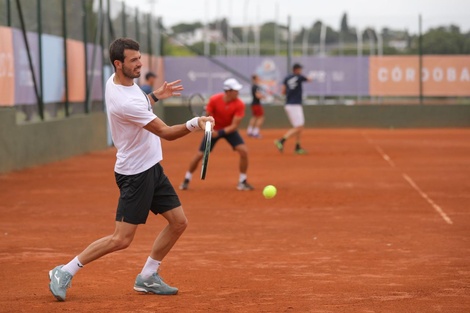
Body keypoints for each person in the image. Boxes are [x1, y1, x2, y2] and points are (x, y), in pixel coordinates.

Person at [48, 38, 214, 301]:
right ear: (118, 63)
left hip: (151, 167)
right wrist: (195, 123)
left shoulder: (118, 83)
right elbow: (166, 133)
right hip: (135, 174)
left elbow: (141, 104)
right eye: (133, 60)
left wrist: (157, 95)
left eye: (139, 58)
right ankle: (64, 271)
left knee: (178, 222)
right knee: (121, 239)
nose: (140, 63)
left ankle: (148, 276)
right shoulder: (126, 102)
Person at [179, 78, 254, 191]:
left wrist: (219, 133)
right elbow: (207, 118)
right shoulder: (214, 100)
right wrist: (210, 130)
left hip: (228, 130)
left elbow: (234, 126)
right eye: (235, 90)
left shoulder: (239, 104)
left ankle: (242, 181)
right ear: (228, 91)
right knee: (200, 155)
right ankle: (186, 179)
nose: (238, 92)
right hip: (212, 129)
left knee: (243, 151)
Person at [274, 63, 312, 155]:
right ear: (296, 70)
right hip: (295, 105)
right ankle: (281, 140)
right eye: (300, 69)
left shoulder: (286, 78)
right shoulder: (299, 77)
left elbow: (283, 91)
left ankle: (297, 146)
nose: (301, 71)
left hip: (289, 104)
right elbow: (309, 79)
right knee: (299, 127)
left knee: (299, 127)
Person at [247, 74, 265, 139]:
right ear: (255, 79)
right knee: (260, 118)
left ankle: (249, 131)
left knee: (254, 117)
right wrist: (263, 96)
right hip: (257, 104)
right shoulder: (256, 87)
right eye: (258, 78)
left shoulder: (253, 86)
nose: (259, 79)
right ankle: (255, 133)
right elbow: (258, 96)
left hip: (254, 104)